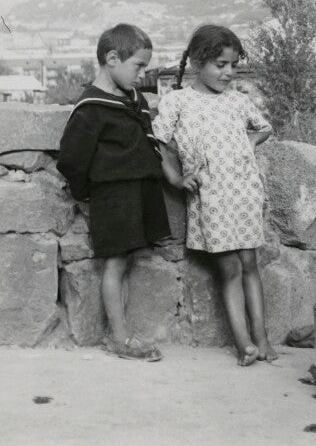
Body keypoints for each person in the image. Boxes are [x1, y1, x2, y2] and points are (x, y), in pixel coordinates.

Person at [152, 24, 277, 366]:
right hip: (211, 199)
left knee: (250, 263)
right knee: (230, 268)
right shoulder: (178, 101)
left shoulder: (238, 101)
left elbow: (264, 127)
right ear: (197, 62)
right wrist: (175, 178)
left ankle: (262, 338)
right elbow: (157, 143)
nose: (228, 72)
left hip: (244, 193)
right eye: (220, 65)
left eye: (233, 65)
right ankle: (243, 343)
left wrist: (251, 140)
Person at [58, 23, 168, 362]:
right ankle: (119, 338)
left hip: (137, 193)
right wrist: (87, 194)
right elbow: (72, 159)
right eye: (138, 66)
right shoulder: (91, 108)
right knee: (116, 263)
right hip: (113, 196)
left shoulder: (135, 99)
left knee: (126, 261)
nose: (142, 74)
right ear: (111, 59)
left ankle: (121, 333)